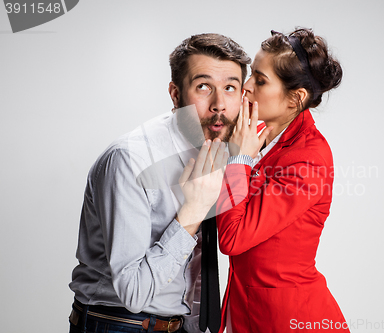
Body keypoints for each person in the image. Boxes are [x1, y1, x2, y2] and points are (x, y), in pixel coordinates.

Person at [68, 33, 250, 333]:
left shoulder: (223, 148)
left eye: (229, 88)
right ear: (175, 94)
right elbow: (134, 293)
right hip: (118, 323)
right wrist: (193, 211)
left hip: (177, 325)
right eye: (203, 87)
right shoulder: (130, 160)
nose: (219, 104)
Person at [216, 28, 350, 332]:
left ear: (296, 99)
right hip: (248, 311)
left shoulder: (308, 158)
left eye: (260, 81)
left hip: (289, 320)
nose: (246, 87)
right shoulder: (260, 137)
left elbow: (233, 238)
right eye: (251, 74)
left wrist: (239, 160)